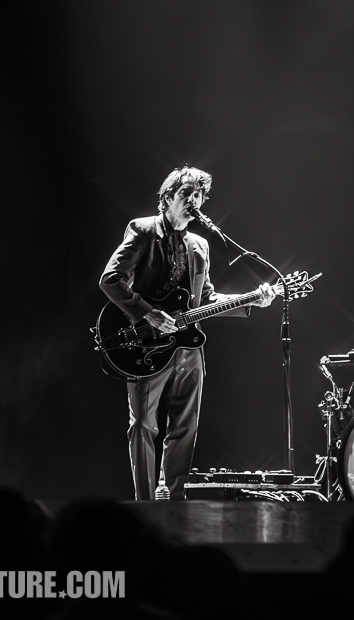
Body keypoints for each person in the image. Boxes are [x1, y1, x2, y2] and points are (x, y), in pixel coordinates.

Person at [100, 165, 273, 501]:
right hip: (144, 344)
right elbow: (111, 280)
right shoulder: (143, 230)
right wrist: (147, 314)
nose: (194, 200)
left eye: (199, 195)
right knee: (143, 426)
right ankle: (146, 504)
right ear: (168, 197)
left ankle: (173, 499)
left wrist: (252, 300)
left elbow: (206, 299)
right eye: (186, 193)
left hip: (187, 347)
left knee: (186, 427)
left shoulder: (200, 246)